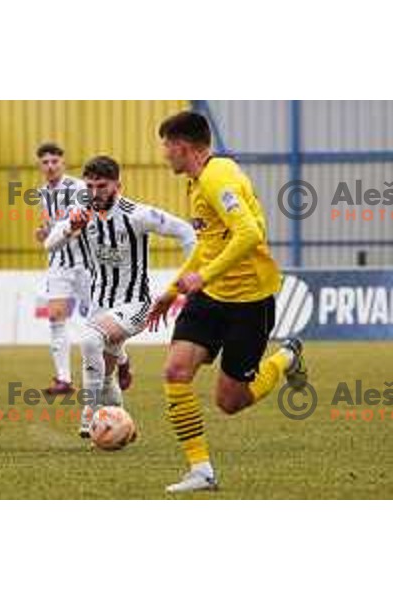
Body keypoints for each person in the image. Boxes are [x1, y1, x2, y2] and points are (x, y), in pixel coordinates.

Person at [148, 111, 308, 493]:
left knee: (231, 402)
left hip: (250, 302)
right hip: (211, 297)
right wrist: (172, 291)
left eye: (166, 146)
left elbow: (249, 234)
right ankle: (201, 470)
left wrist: (202, 277)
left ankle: (287, 356)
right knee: (175, 372)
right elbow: (208, 245)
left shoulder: (218, 177)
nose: (164, 155)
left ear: (181, 146)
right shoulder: (198, 180)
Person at [44, 155, 195, 437]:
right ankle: (123, 429)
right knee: (105, 378)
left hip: (135, 305)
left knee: (89, 340)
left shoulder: (137, 215)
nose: (94, 193)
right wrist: (69, 228)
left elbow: (186, 231)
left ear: (118, 186)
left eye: (101, 186)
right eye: (89, 186)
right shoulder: (83, 213)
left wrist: (191, 274)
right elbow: (50, 244)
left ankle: (88, 412)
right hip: (100, 307)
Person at [35, 142, 133, 394]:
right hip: (59, 264)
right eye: (45, 162)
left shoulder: (79, 188)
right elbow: (53, 226)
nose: (50, 166)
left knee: (99, 322)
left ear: (62, 162)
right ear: (40, 165)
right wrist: (44, 233)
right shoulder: (43, 193)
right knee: (56, 316)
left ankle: (122, 360)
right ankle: (63, 380)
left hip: (86, 264)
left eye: (54, 161)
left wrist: (74, 230)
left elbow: (92, 219)